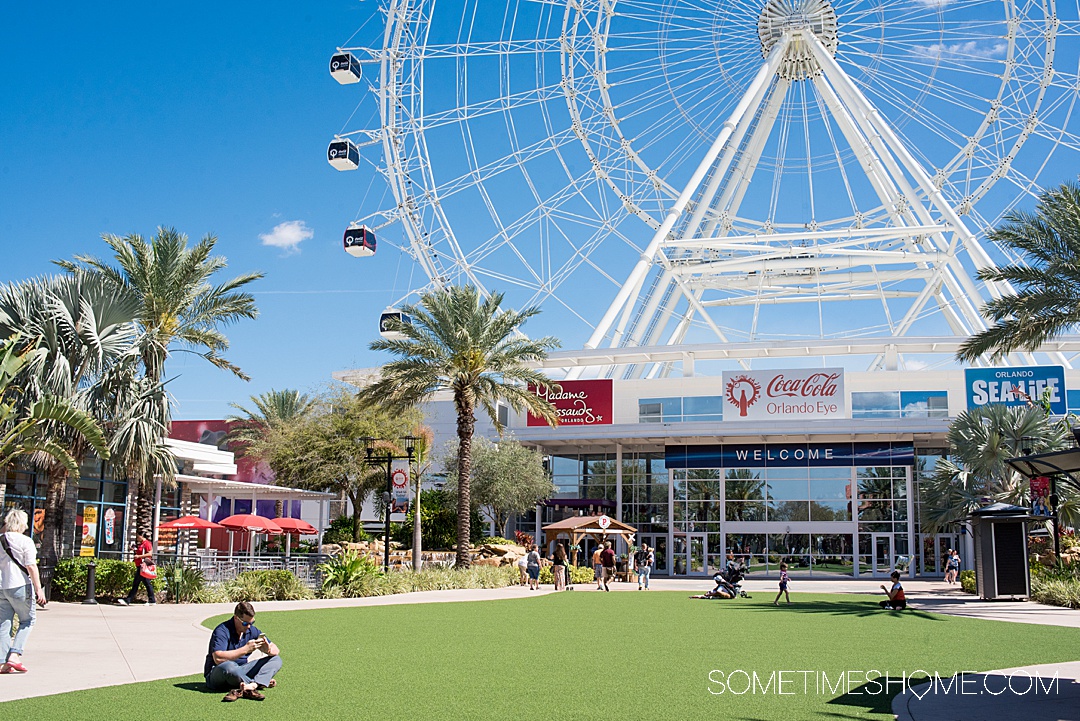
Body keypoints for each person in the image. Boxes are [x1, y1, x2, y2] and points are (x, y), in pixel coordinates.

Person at [205, 601, 283, 701]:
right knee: (230, 666)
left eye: (252, 622)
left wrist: (268, 650)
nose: (249, 626)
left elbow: (275, 649)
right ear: (236, 618)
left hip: (242, 671)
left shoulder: (251, 630)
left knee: (276, 659)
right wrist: (245, 650)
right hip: (218, 674)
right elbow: (218, 658)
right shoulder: (222, 630)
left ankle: (250, 686)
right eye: (245, 623)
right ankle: (259, 682)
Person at [0, 509, 47, 674]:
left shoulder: (1, 540)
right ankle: (15, 654)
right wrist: (38, 589)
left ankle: (2, 662)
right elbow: (31, 566)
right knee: (27, 620)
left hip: (2, 587)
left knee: (4, 624)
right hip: (20, 585)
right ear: (22, 524)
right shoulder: (26, 541)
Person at [117, 532, 155, 606]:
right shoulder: (141, 544)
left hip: (143, 566)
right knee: (146, 583)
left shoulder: (147, 543)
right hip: (139, 566)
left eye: (138, 536)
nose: (137, 538)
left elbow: (150, 554)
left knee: (137, 583)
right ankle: (152, 600)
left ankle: (128, 600)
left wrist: (139, 556)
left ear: (142, 536)